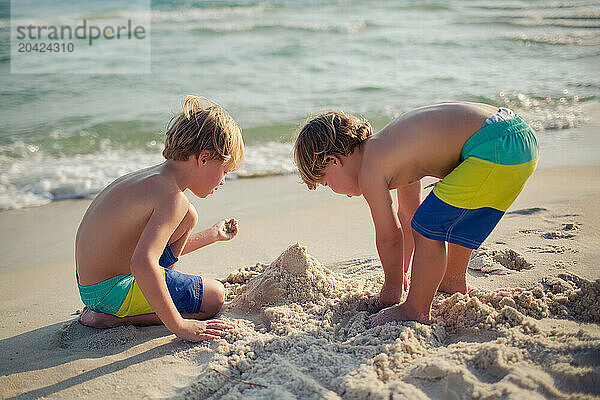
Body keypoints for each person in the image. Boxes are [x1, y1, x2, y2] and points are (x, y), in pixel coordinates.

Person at [293, 102, 539, 325]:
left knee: (430, 224)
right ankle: (452, 281)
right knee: (441, 217)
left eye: (326, 183)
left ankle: (415, 310)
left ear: (333, 161)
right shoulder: (389, 149)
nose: (335, 191)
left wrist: (393, 286)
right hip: (515, 136)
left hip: (493, 147)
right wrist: (404, 272)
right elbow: (408, 216)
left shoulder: (370, 171)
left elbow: (390, 237)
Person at [75, 95, 243, 341]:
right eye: (224, 171)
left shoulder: (151, 179)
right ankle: (112, 317)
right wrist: (180, 326)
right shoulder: (172, 198)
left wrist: (213, 235)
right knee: (214, 297)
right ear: (204, 158)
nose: (222, 181)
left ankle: (144, 299)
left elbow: (147, 249)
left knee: (189, 217)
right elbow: (142, 263)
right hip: (112, 293)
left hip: (91, 285)